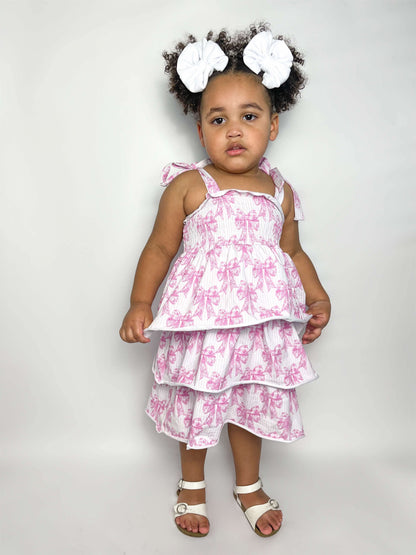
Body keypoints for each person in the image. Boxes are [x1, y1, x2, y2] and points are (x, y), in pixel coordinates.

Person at [120, 22, 331, 539]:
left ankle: (248, 485)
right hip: (204, 327)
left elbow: (292, 251)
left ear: (273, 126)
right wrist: (140, 302)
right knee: (198, 400)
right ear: (201, 131)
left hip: (257, 328)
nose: (234, 130)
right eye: (219, 119)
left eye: (249, 117)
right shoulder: (189, 185)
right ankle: (191, 483)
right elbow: (160, 247)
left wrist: (316, 294)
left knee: (249, 404)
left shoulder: (280, 191)